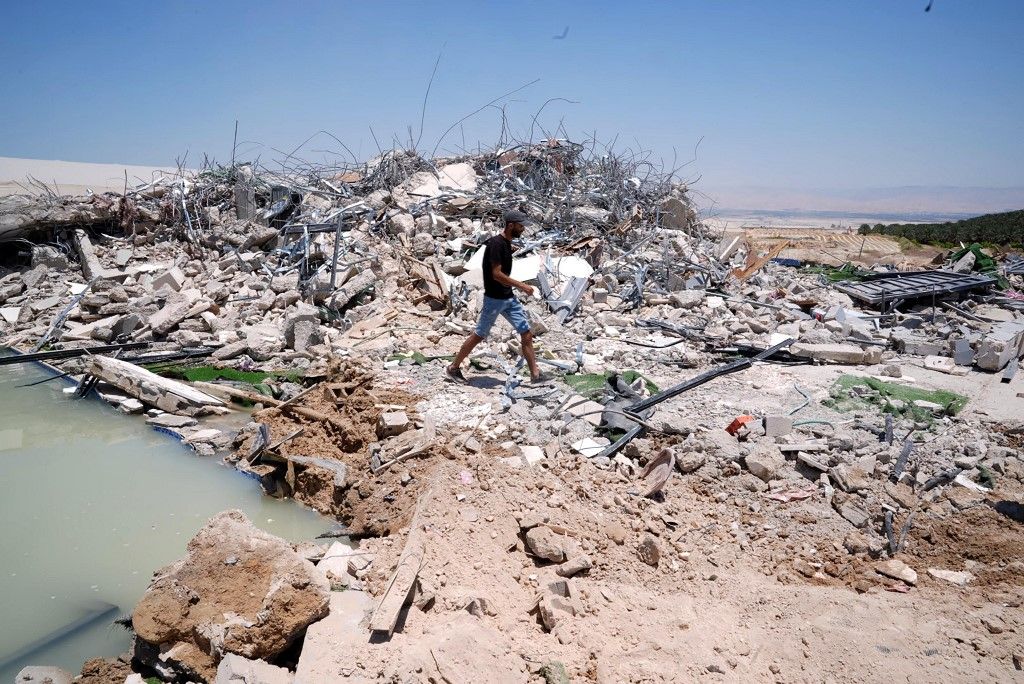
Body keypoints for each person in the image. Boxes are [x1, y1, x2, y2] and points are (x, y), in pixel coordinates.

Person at [446, 209, 548, 384]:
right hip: (494, 299)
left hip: (508, 298)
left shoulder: (506, 244)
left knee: (526, 333)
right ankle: (453, 368)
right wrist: (522, 285)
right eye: (520, 226)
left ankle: (535, 374)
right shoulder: (495, 244)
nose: (522, 229)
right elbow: (496, 274)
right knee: (479, 335)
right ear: (510, 225)